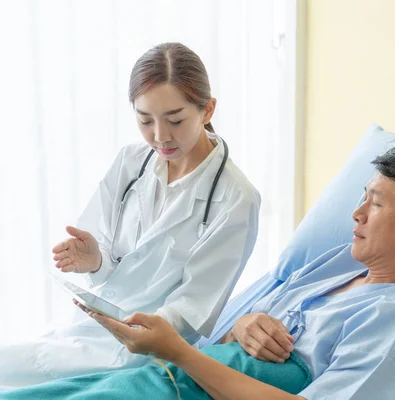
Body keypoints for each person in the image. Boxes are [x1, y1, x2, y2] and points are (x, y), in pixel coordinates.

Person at [0, 144, 395, 400]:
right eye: (360, 198)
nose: (355, 214)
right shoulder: (341, 267)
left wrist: (179, 352)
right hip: (174, 371)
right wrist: (242, 327)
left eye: (374, 204)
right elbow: (228, 343)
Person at [0, 42, 261, 387]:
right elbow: (110, 257)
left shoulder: (236, 199)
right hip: (92, 328)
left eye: (175, 120)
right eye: (145, 120)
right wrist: (95, 260)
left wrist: (136, 332)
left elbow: (193, 308)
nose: (160, 136)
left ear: (208, 110)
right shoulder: (130, 162)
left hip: (149, 348)